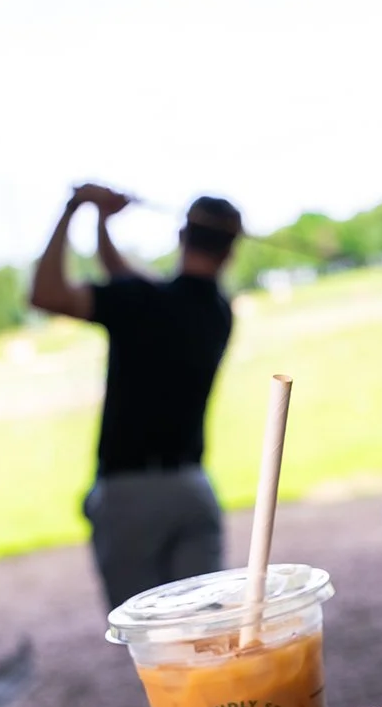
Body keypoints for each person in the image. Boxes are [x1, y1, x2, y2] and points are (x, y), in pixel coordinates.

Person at [29, 184, 242, 609]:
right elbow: (126, 278)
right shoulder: (217, 312)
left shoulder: (139, 302)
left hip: (127, 496)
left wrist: (76, 208)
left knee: (146, 634)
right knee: (206, 630)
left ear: (181, 236)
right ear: (230, 251)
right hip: (192, 490)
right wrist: (102, 223)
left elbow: (46, 294)